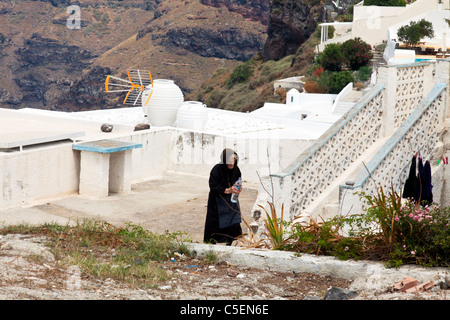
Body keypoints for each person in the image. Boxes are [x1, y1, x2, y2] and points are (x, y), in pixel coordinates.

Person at [203, 148, 243, 245]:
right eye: (229, 161)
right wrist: (227, 190)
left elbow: (238, 181)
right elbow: (213, 186)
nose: (231, 163)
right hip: (217, 200)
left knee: (232, 221)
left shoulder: (236, 169)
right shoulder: (216, 169)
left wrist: (238, 188)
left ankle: (229, 243)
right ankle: (212, 245)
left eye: (233, 160)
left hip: (231, 200)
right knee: (215, 224)